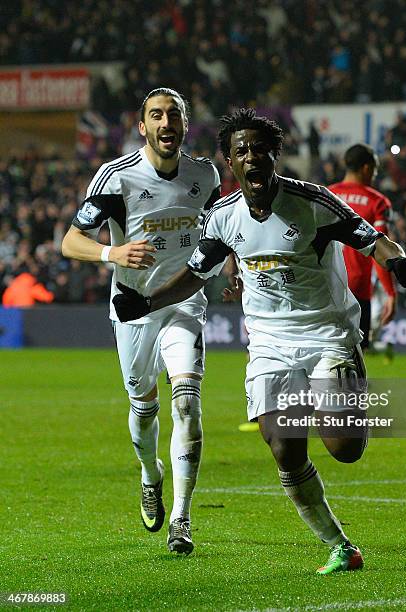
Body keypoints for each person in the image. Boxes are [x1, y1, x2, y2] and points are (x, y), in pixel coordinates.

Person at [112, 109, 406, 574]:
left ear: (275, 155)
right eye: (241, 151)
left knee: (345, 449)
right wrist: (147, 302)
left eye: (260, 149)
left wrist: (396, 260)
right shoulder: (222, 217)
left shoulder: (312, 202)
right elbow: (194, 275)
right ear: (230, 163)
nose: (251, 157)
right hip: (270, 345)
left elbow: (373, 239)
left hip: (326, 334)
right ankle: (340, 546)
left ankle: (340, 390)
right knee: (283, 448)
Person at [62, 87, 222, 555]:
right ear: (142, 126)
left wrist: (222, 273)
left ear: (186, 125)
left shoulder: (205, 176)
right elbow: (71, 241)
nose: (166, 123)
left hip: (183, 303)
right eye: (157, 115)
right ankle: (150, 474)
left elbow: (214, 232)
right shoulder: (116, 179)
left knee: (188, 404)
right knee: (144, 405)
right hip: (133, 305)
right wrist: (113, 252)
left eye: (174, 115)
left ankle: (181, 518)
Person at [328, 143, 397, 349]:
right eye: (374, 169)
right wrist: (390, 293)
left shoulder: (325, 195)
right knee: (355, 357)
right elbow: (381, 252)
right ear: (367, 168)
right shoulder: (377, 202)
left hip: (324, 287)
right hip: (356, 290)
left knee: (324, 353)